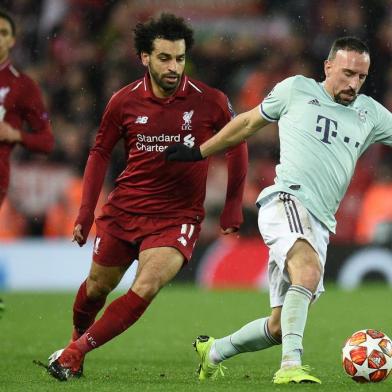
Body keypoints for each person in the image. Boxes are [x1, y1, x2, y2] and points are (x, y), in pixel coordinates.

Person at [166, 36, 392, 384]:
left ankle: (213, 352)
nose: (353, 84)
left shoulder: (370, 113)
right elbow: (246, 124)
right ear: (328, 66)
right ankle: (290, 366)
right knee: (308, 272)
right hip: (287, 199)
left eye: (361, 77)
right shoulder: (296, 90)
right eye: (347, 73)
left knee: (277, 325)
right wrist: (199, 151)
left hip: (320, 222)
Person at [46, 13, 247, 381]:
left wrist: (233, 205)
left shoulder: (210, 101)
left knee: (147, 285)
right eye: (165, 58)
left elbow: (237, 144)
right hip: (125, 210)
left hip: (177, 218)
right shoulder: (123, 101)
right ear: (144, 57)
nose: (174, 67)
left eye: (180, 58)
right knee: (96, 289)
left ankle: (74, 352)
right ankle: (76, 342)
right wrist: (86, 212)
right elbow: (99, 152)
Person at [0, 10, 53, 317]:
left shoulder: (23, 87)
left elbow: (46, 141)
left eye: (3, 33)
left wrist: (14, 133)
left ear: (12, 40)